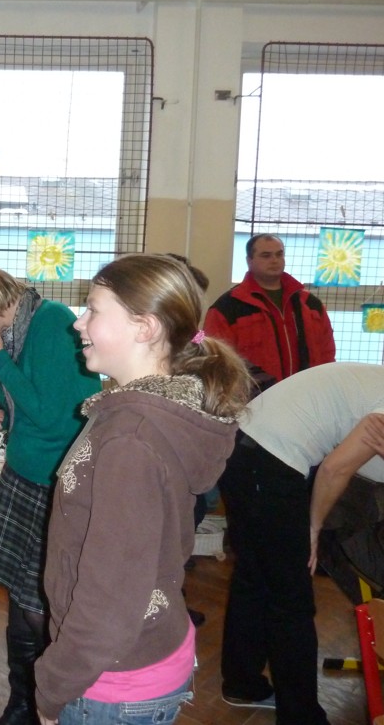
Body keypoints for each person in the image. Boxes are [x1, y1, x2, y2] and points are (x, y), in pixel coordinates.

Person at [33, 254, 252, 725]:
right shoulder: (139, 415)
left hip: (110, 683)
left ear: (145, 327)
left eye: (93, 310)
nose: (78, 323)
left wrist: (52, 686)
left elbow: (110, 598)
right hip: (138, 652)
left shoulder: (131, 438)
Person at [0, 264, 101, 725]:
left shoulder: (50, 322)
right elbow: (28, 403)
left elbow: (55, 415)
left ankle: (43, 705)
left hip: (53, 480)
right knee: (21, 600)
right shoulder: (15, 331)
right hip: (25, 472)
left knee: (36, 606)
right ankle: (20, 704)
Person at [218, 363, 384, 722]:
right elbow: (336, 468)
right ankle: (301, 716)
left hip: (246, 448)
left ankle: (243, 683)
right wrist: (312, 528)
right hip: (269, 458)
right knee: (291, 597)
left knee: (254, 577)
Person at [203, 233, 335, 391]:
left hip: (308, 394)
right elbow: (215, 358)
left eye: (279, 254)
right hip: (254, 398)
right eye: (266, 255)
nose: (274, 260)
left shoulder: (310, 304)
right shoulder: (227, 308)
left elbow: (327, 353)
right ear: (249, 260)